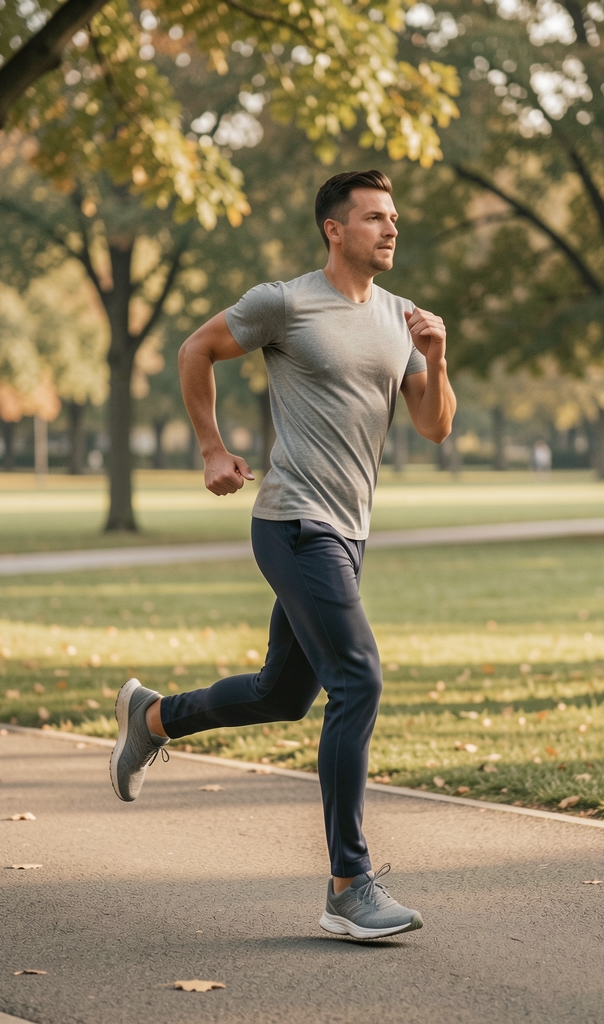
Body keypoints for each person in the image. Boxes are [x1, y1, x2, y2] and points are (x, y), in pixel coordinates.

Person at [110, 169, 456, 939]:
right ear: (335, 229)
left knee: (284, 695)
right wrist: (212, 449)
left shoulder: (401, 317)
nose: (391, 229)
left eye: (393, 217)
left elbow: (434, 425)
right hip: (295, 524)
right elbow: (196, 349)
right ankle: (349, 886)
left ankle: (153, 718)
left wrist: (436, 358)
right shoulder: (286, 303)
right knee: (358, 680)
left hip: (349, 532)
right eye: (375, 217)